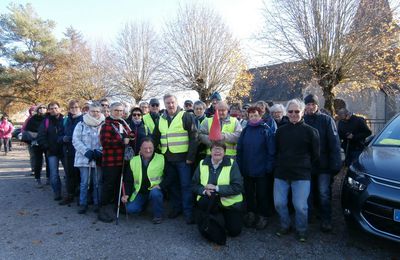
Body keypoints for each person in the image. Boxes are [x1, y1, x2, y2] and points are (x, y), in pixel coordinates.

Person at [274, 99, 320, 242]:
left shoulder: (311, 132)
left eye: (296, 111)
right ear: (287, 113)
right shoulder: (280, 131)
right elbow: (276, 150)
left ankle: (301, 230)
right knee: (279, 203)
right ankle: (285, 225)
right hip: (282, 173)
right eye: (290, 111)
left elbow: (315, 154)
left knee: (300, 206)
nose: (293, 114)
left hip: (301, 174)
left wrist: (303, 165)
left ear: (303, 112)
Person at [153, 94, 198, 224]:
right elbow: (155, 137)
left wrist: (190, 157)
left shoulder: (186, 116)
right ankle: (176, 208)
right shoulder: (161, 119)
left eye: (172, 102)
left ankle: (188, 212)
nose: (170, 105)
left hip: (183, 159)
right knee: (172, 186)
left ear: (176, 102)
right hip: (167, 159)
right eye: (167, 103)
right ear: (164, 104)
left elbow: (194, 137)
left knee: (185, 186)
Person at [303, 94, 342, 232]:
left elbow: (334, 143)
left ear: (317, 105)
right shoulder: (303, 120)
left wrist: (336, 164)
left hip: (324, 165)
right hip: (307, 165)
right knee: (308, 192)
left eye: (312, 104)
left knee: (323, 192)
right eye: (307, 104)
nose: (310, 107)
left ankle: (326, 219)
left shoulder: (326, 120)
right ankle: (309, 216)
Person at [192, 141, 244, 238]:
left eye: (220, 149)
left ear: (224, 152)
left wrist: (217, 188)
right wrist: (204, 191)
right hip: (209, 201)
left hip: (229, 204)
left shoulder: (232, 164)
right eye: (214, 148)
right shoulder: (202, 163)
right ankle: (215, 220)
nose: (217, 151)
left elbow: (238, 187)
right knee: (209, 228)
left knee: (235, 232)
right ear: (210, 151)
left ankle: (222, 220)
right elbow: (194, 185)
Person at [236, 106, 275, 230]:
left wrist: (269, 167)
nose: (253, 118)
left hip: (262, 170)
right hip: (247, 169)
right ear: (248, 117)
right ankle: (251, 213)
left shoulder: (266, 130)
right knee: (249, 193)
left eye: (256, 115)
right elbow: (240, 149)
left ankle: (263, 215)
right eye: (251, 116)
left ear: (260, 116)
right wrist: (240, 166)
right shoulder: (245, 130)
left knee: (262, 194)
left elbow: (271, 151)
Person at [97, 102, 134, 223]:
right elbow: (105, 143)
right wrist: (122, 142)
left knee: (119, 185)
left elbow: (130, 134)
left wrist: (131, 137)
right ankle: (102, 210)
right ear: (111, 111)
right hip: (111, 162)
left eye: (121, 111)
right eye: (116, 110)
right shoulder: (106, 125)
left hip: (123, 160)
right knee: (108, 186)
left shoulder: (123, 122)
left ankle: (116, 207)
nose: (119, 113)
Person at [122, 138, 165, 224]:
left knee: (155, 193)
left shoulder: (161, 158)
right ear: (140, 149)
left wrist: (162, 185)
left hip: (154, 190)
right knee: (130, 209)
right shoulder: (133, 160)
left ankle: (158, 215)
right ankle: (145, 204)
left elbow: (170, 176)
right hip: (140, 192)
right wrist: (126, 194)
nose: (148, 150)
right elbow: (128, 180)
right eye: (145, 148)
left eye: (150, 148)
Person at [72, 103, 105, 214]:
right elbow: (75, 140)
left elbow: (106, 140)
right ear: (88, 111)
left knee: (97, 182)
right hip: (84, 158)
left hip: (98, 157)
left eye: (97, 111)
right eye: (93, 111)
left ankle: (97, 203)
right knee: (84, 182)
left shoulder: (104, 125)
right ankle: (83, 203)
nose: (95, 113)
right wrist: (86, 151)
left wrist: (99, 151)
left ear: (100, 112)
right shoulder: (81, 124)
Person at [37, 101, 66, 201]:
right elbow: (41, 136)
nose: (54, 110)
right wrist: (47, 147)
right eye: (52, 108)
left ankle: (70, 192)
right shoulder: (46, 121)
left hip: (64, 151)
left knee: (68, 172)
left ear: (60, 108)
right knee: (54, 174)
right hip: (52, 152)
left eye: (56, 108)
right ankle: (57, 192)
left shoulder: (65, 120)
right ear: (49, 110)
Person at [59, 100, 83, 206]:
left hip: (80, 151)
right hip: (68, 151)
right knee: (69, 174)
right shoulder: (65, 120)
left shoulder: (84, 119)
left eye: (76, 107)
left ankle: (80, 196)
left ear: (80, 108)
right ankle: (70, 195)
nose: (74, 109)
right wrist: (63, 138)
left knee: (81, 175)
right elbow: (59, 135)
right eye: (72, 108)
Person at [24, 104, 48, 187]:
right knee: (38, 161)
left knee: (49, 161)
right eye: (40, 108)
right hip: (36, 143)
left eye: (44, 107)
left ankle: (49, 178)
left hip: (47, 142)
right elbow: (27, 130)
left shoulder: (49, 118)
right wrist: (36, 135)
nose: (42, 109)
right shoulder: (33, 119)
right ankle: (37, 179)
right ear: (37, 110)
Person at [22, 105, 37, 175]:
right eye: (32, 110)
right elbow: (23, 129)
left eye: (34, 110)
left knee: (39, 155)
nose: (33, 112)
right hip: (30, 140)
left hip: (39, 140)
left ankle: (38, 168)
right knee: (32, 155)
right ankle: (33, 169)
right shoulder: (28, 119)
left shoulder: (41, 118)